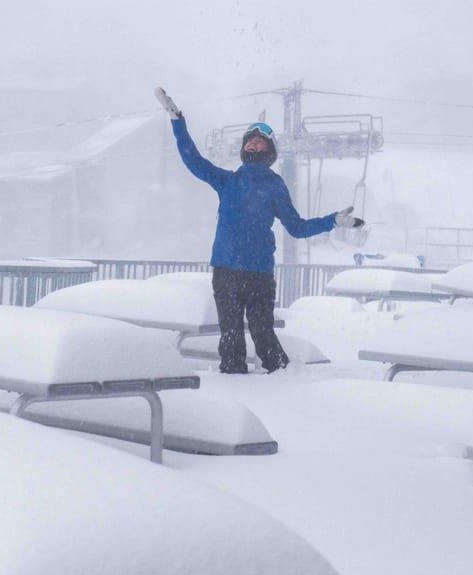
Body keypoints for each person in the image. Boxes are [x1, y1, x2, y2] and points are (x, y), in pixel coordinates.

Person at [155, 87, 362, 374]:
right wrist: (177, 120)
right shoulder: (227, 181)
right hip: (226, 271)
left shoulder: (275, 186)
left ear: (269, 151)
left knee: (263, 333)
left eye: (259, 142)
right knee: (230, 339)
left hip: (259, 274)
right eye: (249, 142)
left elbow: (297, 228)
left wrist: (333, 220)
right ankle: (234, 383)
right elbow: (193, 160)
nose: (253, 145)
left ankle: (284, 383)